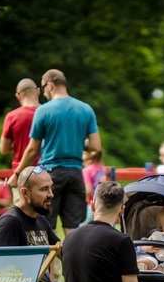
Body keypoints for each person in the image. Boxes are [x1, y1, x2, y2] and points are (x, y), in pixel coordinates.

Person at [6, 69, 101, 237]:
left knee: (45, 227)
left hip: (50, 175)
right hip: (75, 174)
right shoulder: (86, 109)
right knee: (72, 227)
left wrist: (17, 173)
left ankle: (50, 264)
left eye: (43, 88)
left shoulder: (43, 111)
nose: (43, 93)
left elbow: (32, 149)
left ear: (50, 85)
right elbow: (96, 147)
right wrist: (77, 141)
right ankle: (74, 263)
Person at [0, 78, 41, 204]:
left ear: (18, 96)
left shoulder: (12, 116)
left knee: (23, 215)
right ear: (38, 91)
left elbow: (4, 149)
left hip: (21, 173)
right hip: (45, 170)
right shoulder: (48, 113)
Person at [136, 204, 164, 273]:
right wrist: (145, 248)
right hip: (149, 257)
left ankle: (151, 276)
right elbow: (141, 244)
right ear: (161, 227)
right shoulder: (156, 235)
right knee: (152, 261)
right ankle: (139, 265)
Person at [81, 149, 107, 225]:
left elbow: (88, 191)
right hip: (104, 205)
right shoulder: (103, 169)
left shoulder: (87, 170)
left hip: (91, 206)